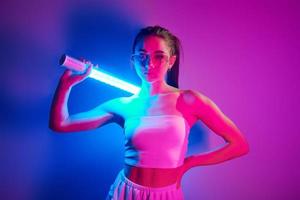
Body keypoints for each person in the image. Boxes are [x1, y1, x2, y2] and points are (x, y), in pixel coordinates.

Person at [49, 25, 249, 200]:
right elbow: (61, 123)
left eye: (159, 56)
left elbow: (239, 145)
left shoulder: (189, 100)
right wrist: (66, 85)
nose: (149, 64)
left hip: (167, 194)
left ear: (171, 61)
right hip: (125, 193)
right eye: (142, 56)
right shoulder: (123, 104)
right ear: (133, 60)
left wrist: (191, 162)